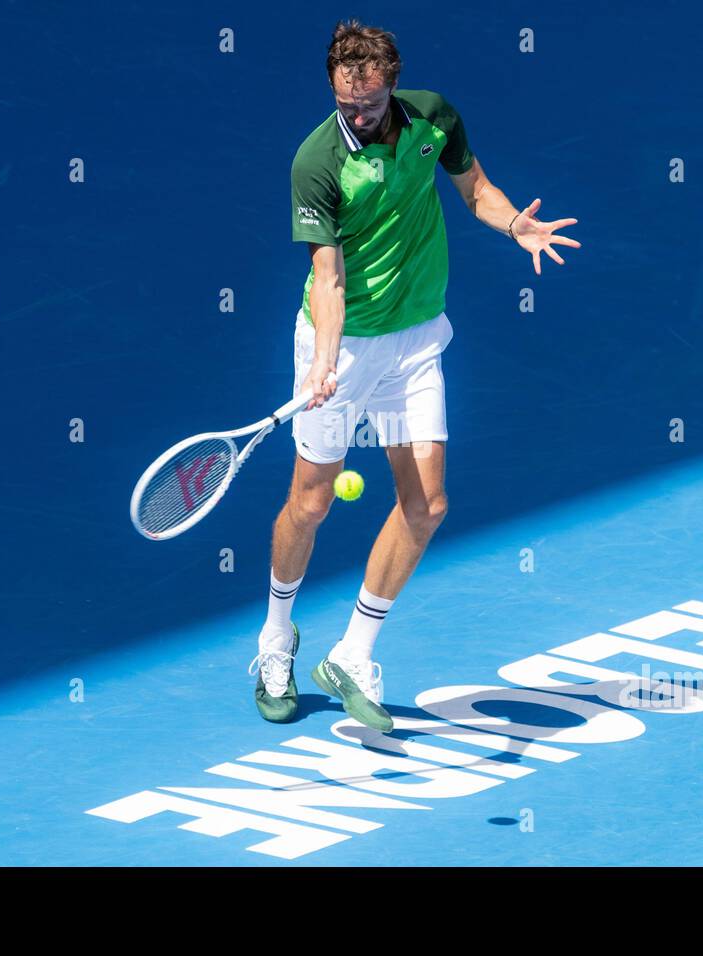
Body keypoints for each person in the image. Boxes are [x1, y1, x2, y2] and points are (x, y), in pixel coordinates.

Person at [248, 19, 580, 731]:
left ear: (392, 84)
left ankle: (352, 654)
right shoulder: (317, 162)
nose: (357, 117)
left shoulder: (434, 116)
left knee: (428, 505)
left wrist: (515, 225)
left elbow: (476, 187)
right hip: (342, 343)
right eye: (345, 103)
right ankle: (276, 638)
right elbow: (327, 274)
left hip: (417, 339)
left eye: (368, 104)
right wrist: (328, 359)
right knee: (309, 505)